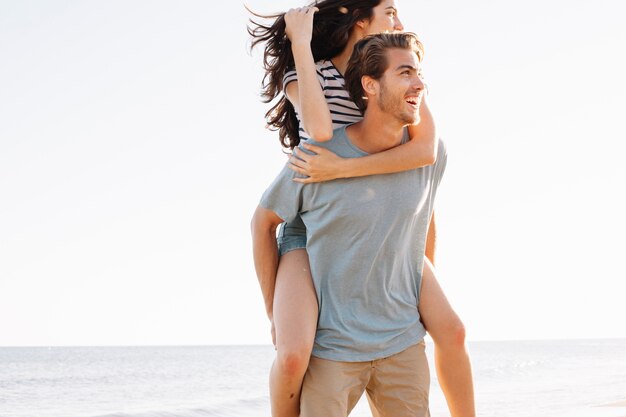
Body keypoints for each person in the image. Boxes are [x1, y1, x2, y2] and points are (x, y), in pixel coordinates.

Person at [249, 2, 475, 417]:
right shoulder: (312, 74)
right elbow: (319, 131)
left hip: (387, 226)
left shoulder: (399, 73)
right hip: (310, 225)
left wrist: (346, 167)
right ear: (360, 21)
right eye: (389, 12)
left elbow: (424, 156)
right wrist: (300, 41)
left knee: (453, 329)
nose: (400, 22)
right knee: (294, 353)